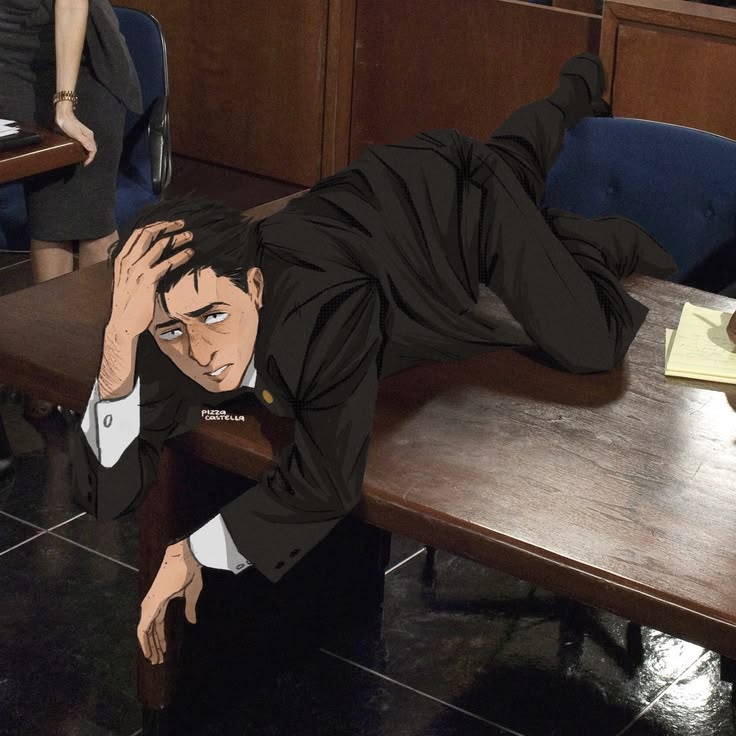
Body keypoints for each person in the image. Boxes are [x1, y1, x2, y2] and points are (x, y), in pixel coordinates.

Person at [69, 53, 676, 665]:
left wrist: (194, 552)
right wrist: (118, 347)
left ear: (254, 286)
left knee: (589, 342)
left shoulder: (323, 310)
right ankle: (577, 87)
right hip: (379, 202)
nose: (197, 351)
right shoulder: (161, 325)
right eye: (170, 330)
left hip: (453, 210)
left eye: (214, 317)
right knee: (515, 159)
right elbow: (105, 497)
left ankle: (588, 241)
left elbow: (325, 484)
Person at [0, 0, 141, 416]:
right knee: (48, 217)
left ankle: (94, 365)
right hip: (11, 56)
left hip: (81, 60)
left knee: (92, 221)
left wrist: (64, 104)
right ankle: (49, 368)